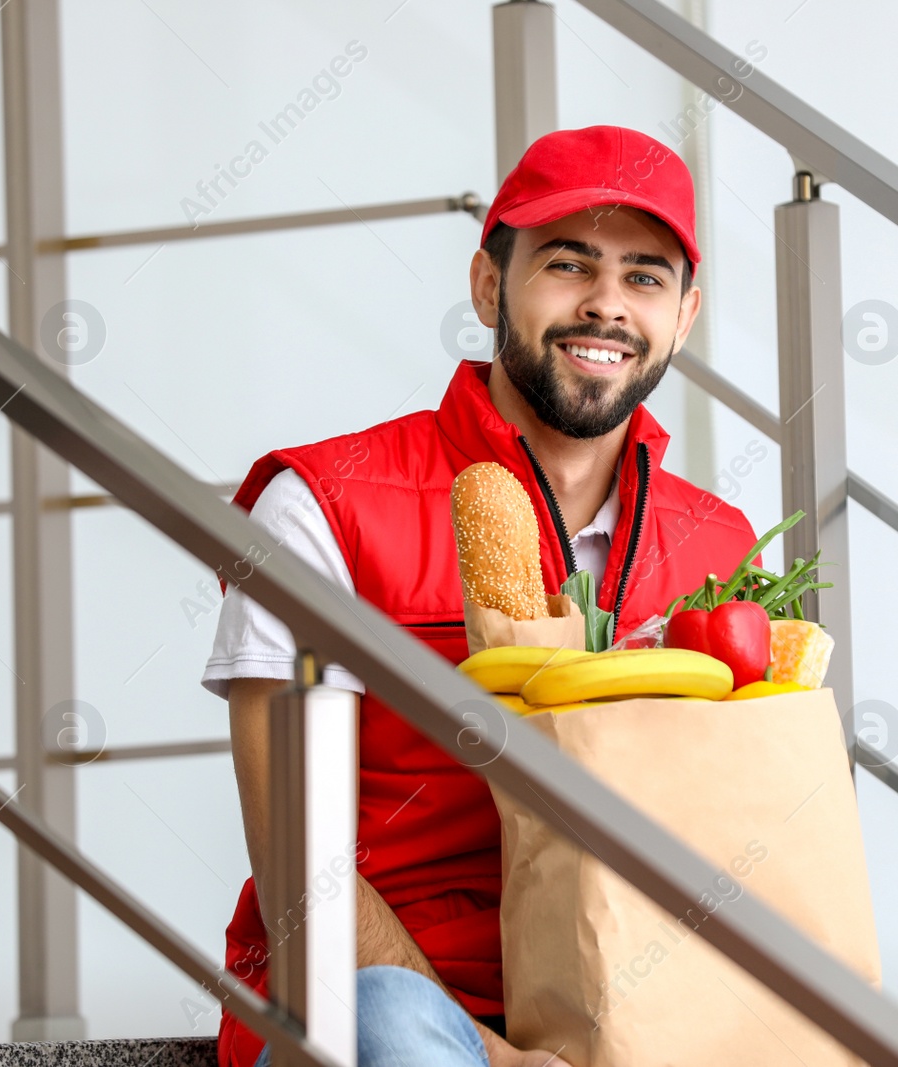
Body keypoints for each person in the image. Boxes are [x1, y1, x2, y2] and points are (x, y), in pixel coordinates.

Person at [202, 125, 762, 1067]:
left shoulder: (722, 547)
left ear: (686, 314)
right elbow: (297, 865)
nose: (605, 306)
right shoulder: (324, 507)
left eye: (645, 278)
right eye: (568, 263)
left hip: (632, 1010)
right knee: (386, 1024)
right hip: (379, 1008)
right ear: (489, 284)